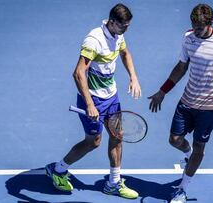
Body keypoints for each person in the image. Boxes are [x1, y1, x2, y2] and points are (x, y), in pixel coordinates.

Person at [148, 4, 213, 203]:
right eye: (193, 25)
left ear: (210, 24)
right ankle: (188, 154)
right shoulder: (188, 37)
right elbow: (182, 66)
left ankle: (182, 188)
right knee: (174, 139)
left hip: (210, 108)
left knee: (200, 147)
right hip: (187, 101)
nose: (196, 31)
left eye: (200, 27)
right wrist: (162, 91)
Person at [45, 3, 141, 199]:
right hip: (93, 98)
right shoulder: (94, 40)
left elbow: (125, 53)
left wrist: (133, 77)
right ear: (112, 22)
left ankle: (114, 183)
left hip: (111, 96)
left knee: (117, 135)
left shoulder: (118, 33)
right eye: (124, 26)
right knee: (94, 142)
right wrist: (89, 104)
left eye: (128, 26)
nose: (126, 29)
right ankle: (58, 169)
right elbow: (79, 73)